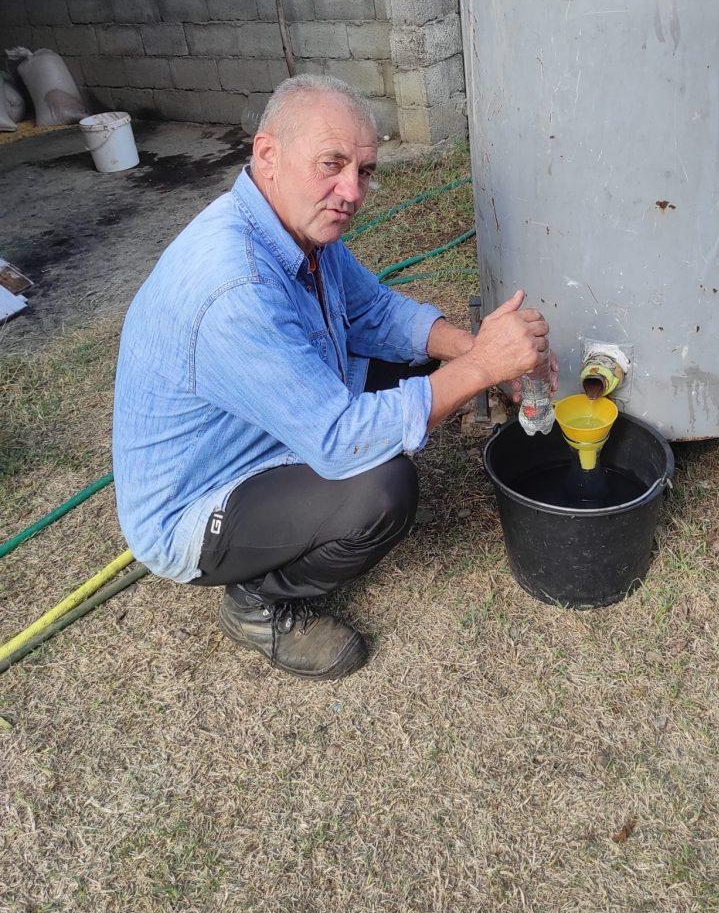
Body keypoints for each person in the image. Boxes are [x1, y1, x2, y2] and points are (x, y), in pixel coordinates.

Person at [112, 75, 555, 682]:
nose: (351, 190)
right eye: (332, 164)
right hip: (200, 499)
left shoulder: (290, 225)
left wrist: (472, 348)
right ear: (267, 155)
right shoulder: (233, 290)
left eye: (365, 170)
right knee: (380, 491)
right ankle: (260, 603)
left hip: (266, 425)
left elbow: (371, 311)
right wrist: (481, 368)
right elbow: (340, 438)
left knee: (426, 365)